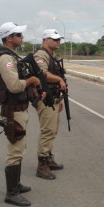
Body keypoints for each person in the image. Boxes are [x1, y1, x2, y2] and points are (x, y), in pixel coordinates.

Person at [0, 22, 44, 207]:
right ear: (8, 37)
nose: (22, 37)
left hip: (19, 110)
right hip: (13, 113)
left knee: (20, 149)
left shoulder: (11, 56)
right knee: (15, 152)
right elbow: (14, 86)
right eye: (19, 34)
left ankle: (17, 184)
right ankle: (11, 193)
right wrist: (32, 80)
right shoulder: (5, 58)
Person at [33, 29, 66, 180]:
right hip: (45, 99)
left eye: (59, 39)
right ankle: (42, 164)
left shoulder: (50, 55)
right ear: (46, 39)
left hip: (54, 98)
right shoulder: (40, 55)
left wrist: (59, 99)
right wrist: (59, 80)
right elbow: (42, 74)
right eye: (54, 39)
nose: (58, 41)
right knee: (48, 131)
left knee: (52, 130)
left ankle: (49, 158)